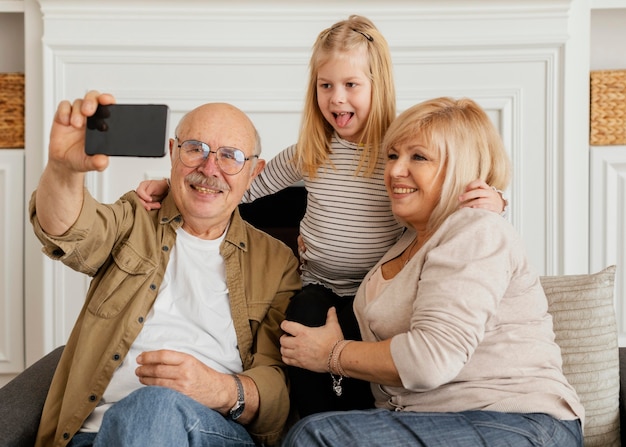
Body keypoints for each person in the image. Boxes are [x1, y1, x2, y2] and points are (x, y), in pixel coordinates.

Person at [136, 15, 506, 417]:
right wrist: (174, 188)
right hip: (318, 283)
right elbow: (243, 185)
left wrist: (497, 201)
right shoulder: (311, 150)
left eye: (351, 85)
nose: (336, 98)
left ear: (376, 86)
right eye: (325, 85)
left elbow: (448, 192)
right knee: (301, 323)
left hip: (374, 294)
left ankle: (359, 424)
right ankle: (307, 424)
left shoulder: (396, 152)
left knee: (361, 350)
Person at [279, 97, 584, 447]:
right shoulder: (406, 242)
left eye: (418, 157)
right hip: (427, 420)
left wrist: (333, 355)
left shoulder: (476, 230)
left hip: (517, 422)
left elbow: (430, 360)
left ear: (462, 167)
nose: (394, 171)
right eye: (392, 155)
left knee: (317, 436)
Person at [29, 91, 301, 447]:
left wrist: (217, 389)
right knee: (146, 409)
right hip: (92, 435)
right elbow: (70, 231)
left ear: (253, 172)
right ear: (173, 152)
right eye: (195, 148)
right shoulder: (134, 219)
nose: (209, 168)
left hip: (210, 433)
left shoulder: (277, 263)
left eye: (230, 156)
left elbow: (277, 384)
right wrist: (63, 170)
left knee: (152, 406)